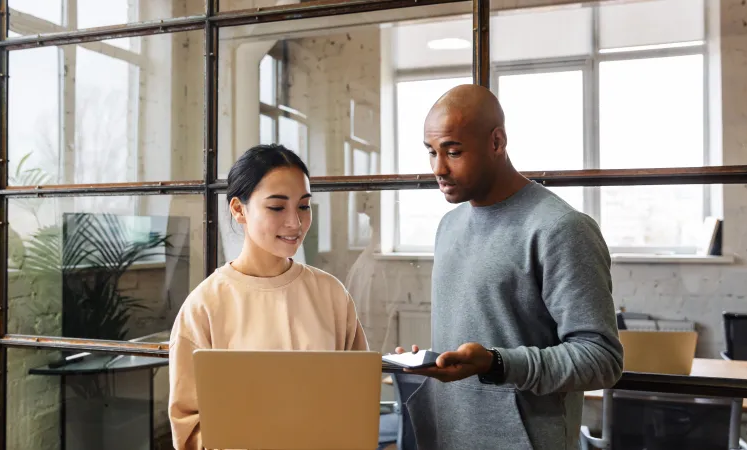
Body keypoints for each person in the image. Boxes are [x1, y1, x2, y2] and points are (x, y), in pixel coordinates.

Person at [397, 84, 623, 450]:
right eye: (431, 152)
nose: (439, 168)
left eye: (453, 152)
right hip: (448, 438)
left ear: (497, 142)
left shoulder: (560, 228)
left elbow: (601, 359)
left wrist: (496, 363)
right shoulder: (448, 227)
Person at [168, 144, 369, 450]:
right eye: (277, 207)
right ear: (239, 210)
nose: (296, 223)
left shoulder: (330, 294)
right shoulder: (204, 306)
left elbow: (358, 399)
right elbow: (189, 427)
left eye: (304, 206)